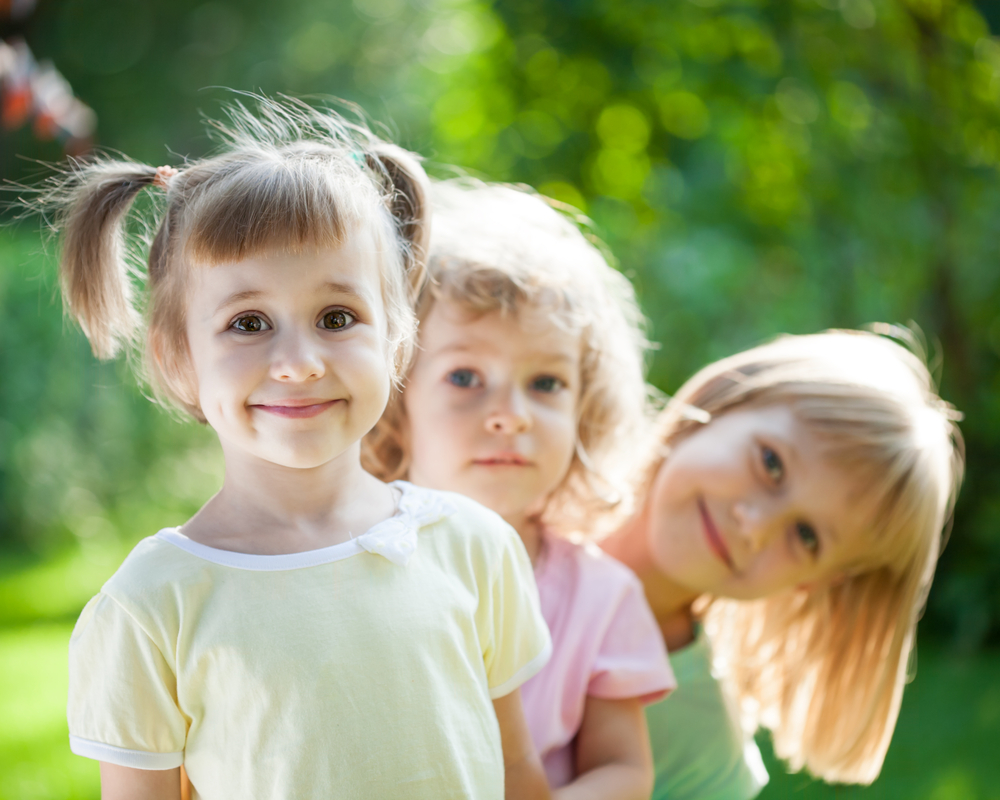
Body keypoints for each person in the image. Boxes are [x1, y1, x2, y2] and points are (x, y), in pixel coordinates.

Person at [34, 100, 552, 800]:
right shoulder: (152, 606)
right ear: (178, 355)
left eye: (337, 317)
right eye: (248, 322)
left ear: (395, 336)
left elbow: (517, 772)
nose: (300, 361)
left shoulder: (472, 547)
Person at [364, 179, 676, 800]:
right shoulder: (344, 559)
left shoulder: (601, 597)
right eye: (465, 376)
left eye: (546, 383)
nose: (512, 414)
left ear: (587, 407)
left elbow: (624, 772)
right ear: (396, 398)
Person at [599, 328, 965, 799]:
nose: (755, 525)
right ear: (726, 399)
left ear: (813, 581)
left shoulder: (704, 757)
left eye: (806, 536)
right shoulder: (502, 491)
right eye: (771, 464)